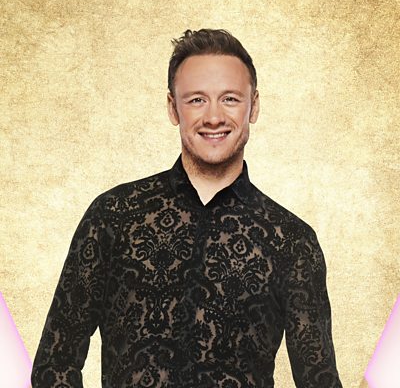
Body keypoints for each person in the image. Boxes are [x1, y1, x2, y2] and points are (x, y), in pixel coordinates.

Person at [32, 29, 342, 387]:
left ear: (254, 106)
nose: (214, 117)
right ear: (172, 107)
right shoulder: (113, 215)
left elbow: (320, 381)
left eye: (230, 99)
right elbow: (54, 364)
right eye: (197, 100)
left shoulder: (291, 241)